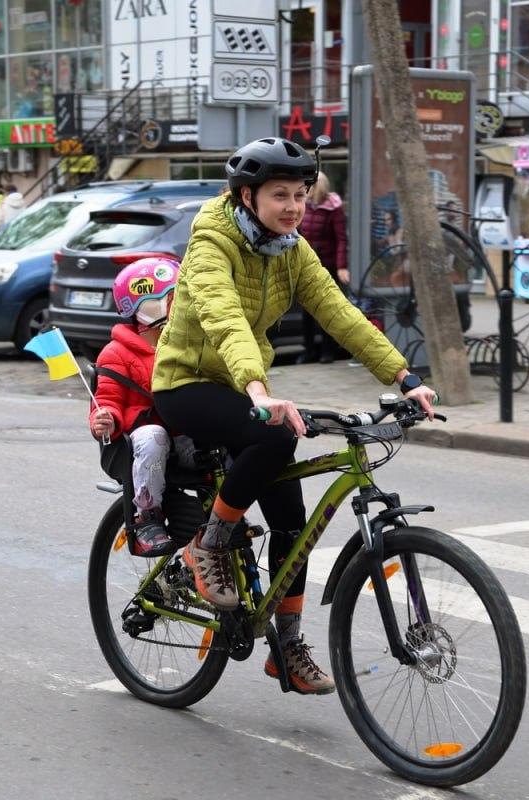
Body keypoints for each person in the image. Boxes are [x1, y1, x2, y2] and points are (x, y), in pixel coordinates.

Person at [150, 137, 437, 695]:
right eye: (280, 195)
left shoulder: (291, 249)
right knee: (277, 438)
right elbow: (223, 317)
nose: (293, 207)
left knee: (292, 521)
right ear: (246, 196)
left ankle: (286, 649)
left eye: (301, 195)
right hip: (188, 383)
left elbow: (338, 313)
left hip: (246, 386)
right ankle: (207, 544)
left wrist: (404, 376)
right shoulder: (214, 242)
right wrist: (257, 387)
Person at [90, 258, 194, 556]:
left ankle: (224, 513)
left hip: (184, 431)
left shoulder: (186, 341)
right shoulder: (117, 352)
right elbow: (107, 398)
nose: (174, 307)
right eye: (166, 300)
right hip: (140, 440)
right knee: (152, 436)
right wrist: (105, 418)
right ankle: (148, 516)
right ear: (141, 308)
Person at [296, 171, 348, 364]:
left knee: (327, 310)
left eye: (311, 186)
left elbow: (342, 238)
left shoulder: (334, 208)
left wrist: (342, 266)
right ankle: (308, 350)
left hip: (328, 266)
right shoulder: (304, 206)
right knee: (307, 313)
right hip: (307, 265)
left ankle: (328, 351)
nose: (307, 190)